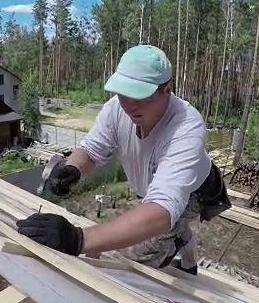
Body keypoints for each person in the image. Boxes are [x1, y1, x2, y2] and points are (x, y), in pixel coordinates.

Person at [16, 45, 231, 275]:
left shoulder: (187, 128)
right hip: (150, 190)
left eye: (140, 95)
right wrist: (74, 168)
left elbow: (161, 211)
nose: (129, 105)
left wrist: (78, 239)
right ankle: (182, 237)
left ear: (167, 90)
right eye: (123, 93)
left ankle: (175, 244)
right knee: (127, 235)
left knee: (136, 255)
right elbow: (91, 149)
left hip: (192, 193)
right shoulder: (116, 109)